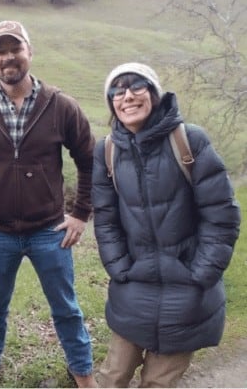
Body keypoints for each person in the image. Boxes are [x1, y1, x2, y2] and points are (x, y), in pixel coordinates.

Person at [0, 20, 98, 388]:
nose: (8, 58)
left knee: (66, 307)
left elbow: (89, 159)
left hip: (50, 230)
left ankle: (82, 371)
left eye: (15, 49)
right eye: (0, 51)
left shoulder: (60, 105)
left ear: (29, 52)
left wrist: (81, 213)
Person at [91, 62, 242, 387]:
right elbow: (105, 220)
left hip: (187, 295)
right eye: (117, 90)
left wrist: (200, 274)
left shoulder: (189, 141)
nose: (127, 96)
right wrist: (121, 269)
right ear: (111, 102)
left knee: (158, 385)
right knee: (109, 379)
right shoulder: (107, 151)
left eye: (136, 86)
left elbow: (222, 217)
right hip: (134, 290)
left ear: (155, 93)